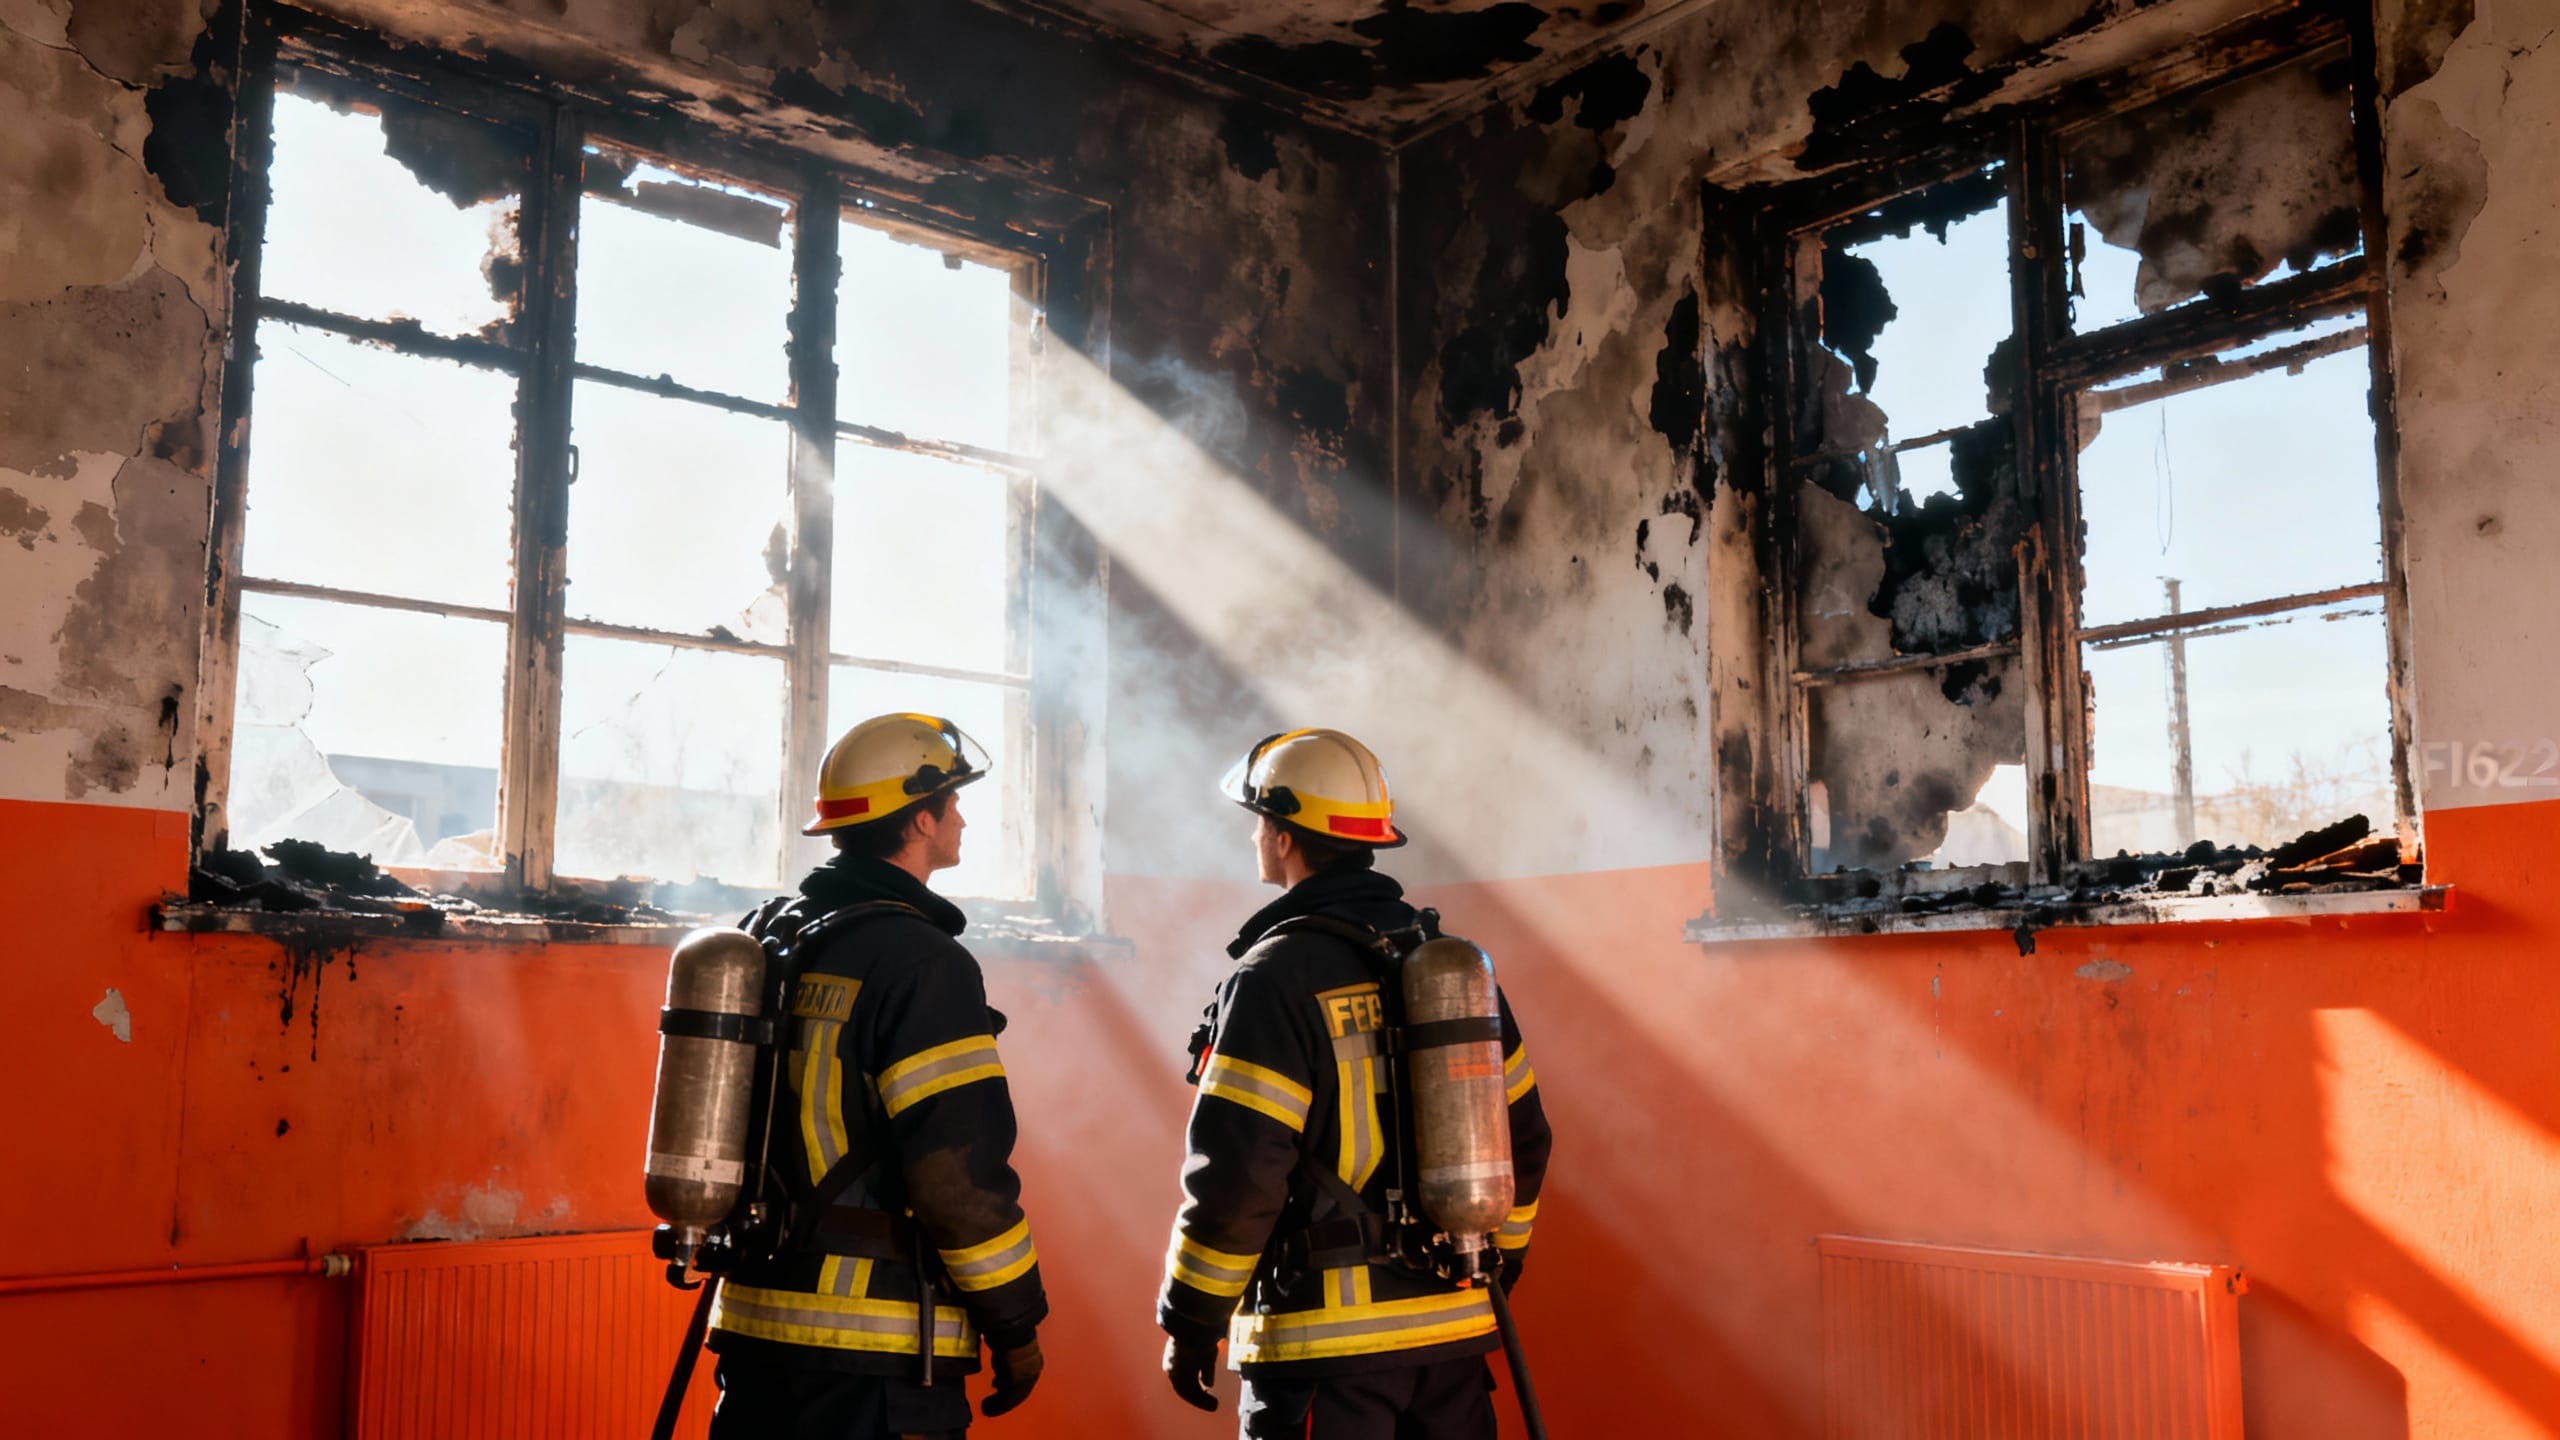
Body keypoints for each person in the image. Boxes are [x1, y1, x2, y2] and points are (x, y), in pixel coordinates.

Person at [1157, 728, 1554, 1439]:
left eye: (1259, 821)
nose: (1256, 837)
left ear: (1283, 834)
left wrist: (1191, 1319)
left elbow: (1239, 1174)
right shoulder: (1449, 966)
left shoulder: (1273, 977)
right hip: (1455, 1338)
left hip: (1326, 1357)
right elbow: (1524, 1136)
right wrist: (1499, 1260)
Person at [706, 712, 1047, 1439]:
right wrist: (1016, 1323)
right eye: (952, 802)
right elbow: (958, 1181)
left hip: (752, 1329)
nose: (961, 817)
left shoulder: (773, 935)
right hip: (875, 1361)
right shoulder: (921, 961)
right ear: (919, 820)